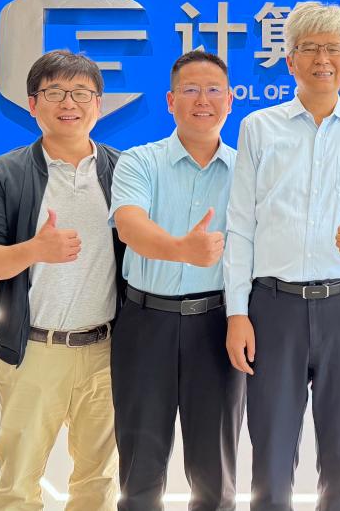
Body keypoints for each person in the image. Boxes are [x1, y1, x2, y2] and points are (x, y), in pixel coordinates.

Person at [224, 1, 340, 511]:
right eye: (310, 48)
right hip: (272, 307)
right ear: (290, 61)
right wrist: (237, 313)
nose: (323, 59)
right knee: (271, 453)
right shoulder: (259, 127)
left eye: (334, 49)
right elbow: (240, 226)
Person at [0, 50, 124, 511]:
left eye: (81, 93)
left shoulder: (123, 170)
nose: (68, 103)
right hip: (33, 352)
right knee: (18, 485)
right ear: (33, 104)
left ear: (99, 105)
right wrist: (34, 250)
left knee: (98, 484)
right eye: (54, 92)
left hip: (106, 353)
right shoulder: (5, 173)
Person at [108, 49, 242, 511]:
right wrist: (182, 250)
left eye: (213, 90)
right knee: (140, 472)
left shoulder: (248, 171)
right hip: (146, 323)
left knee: (215, 475)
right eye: (190, 90)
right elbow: (129, 226)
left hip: (217, 326)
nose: (202, 100)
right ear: (170, 101)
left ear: (230, 101)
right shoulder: (139, 161)